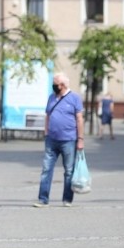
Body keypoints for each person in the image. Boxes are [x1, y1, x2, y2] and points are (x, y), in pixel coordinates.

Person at [34, 73, 84, 207]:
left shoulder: (74, 98)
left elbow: (79, 119)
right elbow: (48, 116)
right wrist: (46, 133)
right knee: (46, 169)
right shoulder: (51, 98)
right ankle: (43, 199)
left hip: (69, 140)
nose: (53, 86)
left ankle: (67, 199)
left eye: (55, 84)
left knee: (69, 171)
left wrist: (80, 139)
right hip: (51, 140)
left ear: (62, 85)